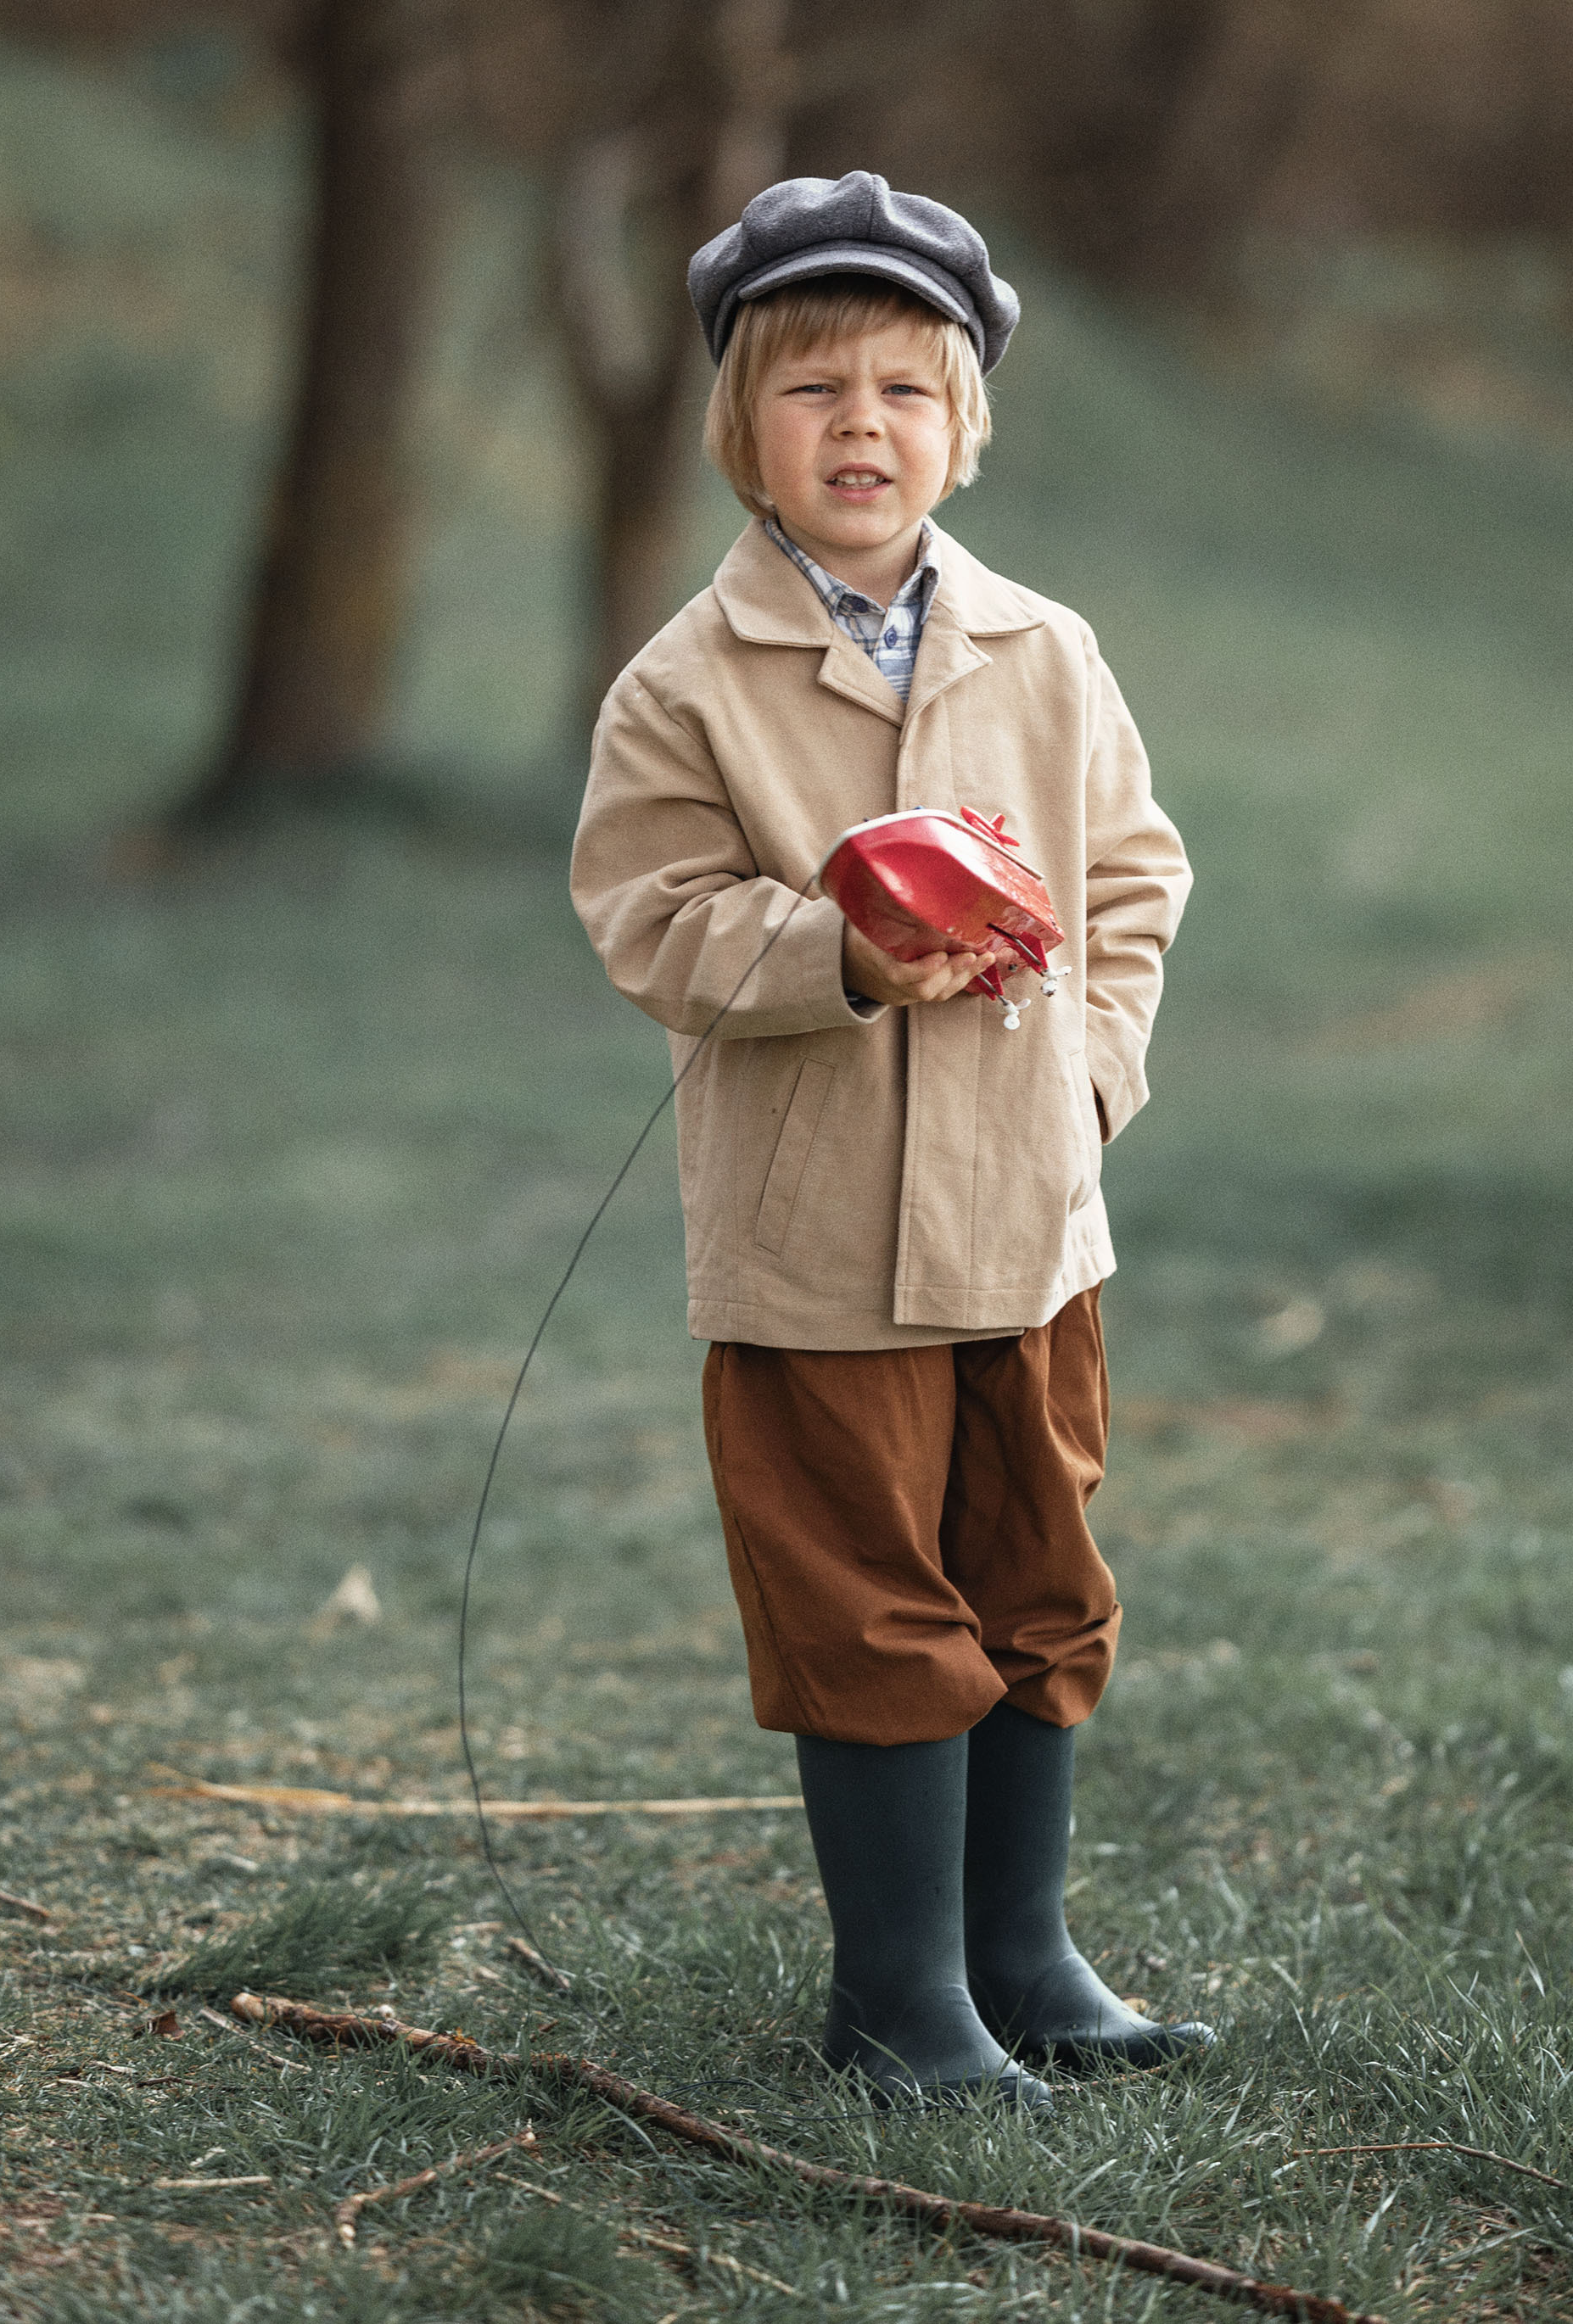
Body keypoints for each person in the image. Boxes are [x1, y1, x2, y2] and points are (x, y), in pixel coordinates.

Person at [570, 171, 1207, 2109]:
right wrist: (832, 951)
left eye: (906, 393)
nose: (862, 426)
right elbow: (647, 912)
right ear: (738, 429)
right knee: (868, 1598)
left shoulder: (1045, 650)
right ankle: (901, 1998)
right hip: (817, 1238)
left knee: (1038, 1576)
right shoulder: (692, 679)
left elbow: (1129, 881)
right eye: (813, 388)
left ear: (967, 426)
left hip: (1032, 1222)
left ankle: (1027, 1960)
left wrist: (1087, 1078)